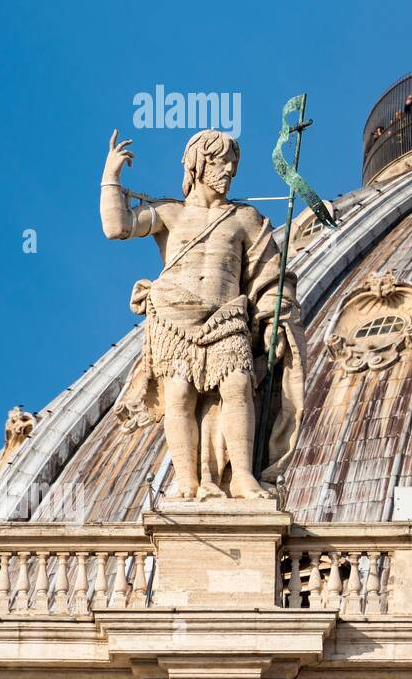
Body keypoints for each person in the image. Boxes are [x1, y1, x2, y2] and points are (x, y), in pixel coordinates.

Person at [101, 130, 306, 499]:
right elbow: (117, 227)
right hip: (173, 313)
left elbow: (271, 275)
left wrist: (275, 316)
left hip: (227, 315)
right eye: (219, 162)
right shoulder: (170, 213)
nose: (227, 171)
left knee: (238, 386)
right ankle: (187, 481)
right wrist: (111, 177)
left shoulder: (246, 219)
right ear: (197, 163)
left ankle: (243, 476)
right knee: (178, 393)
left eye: (232, 164)